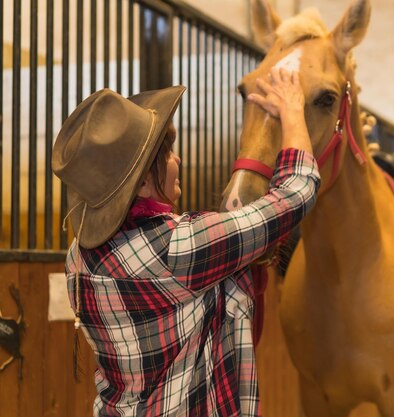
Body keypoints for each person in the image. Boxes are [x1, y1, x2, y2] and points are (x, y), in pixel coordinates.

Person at [51, 67, 319, 416]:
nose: (177, 160)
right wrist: (294, 109)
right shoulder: (180, 249)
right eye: (167, 155)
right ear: (144, 185)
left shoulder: (77, 258)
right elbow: (297, 190)